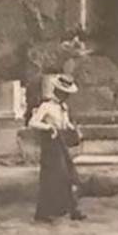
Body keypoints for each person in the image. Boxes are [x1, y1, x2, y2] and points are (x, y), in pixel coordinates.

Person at [28, 74, 87, 223]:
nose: (66, 96)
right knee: (51, 178)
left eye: (67, 94)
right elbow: (32, 122)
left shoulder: (63, 107)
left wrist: (73, 129)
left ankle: (73, 209)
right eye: (63, 93)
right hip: (50, 144)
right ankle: (43, 213)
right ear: (57, 91)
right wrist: (48, 127)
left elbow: (65, 123)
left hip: (61, 143)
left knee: (70, 175)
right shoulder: (46, 106)